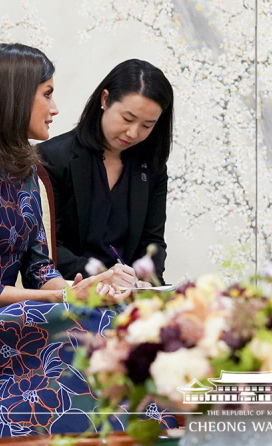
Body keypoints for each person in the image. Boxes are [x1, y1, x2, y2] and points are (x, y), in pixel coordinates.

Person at [0, 43, 175, 439]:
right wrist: (59, 299)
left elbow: (40, 267)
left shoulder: (27, 171)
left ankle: (134, 441)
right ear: (12, 96)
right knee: (78, 327)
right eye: (47, 94)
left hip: (5, 313)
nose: (56, 108)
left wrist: (81, 288)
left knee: (108, 320)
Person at [39, 59, 173, 285]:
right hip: (71, 291)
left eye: (147, 126)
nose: (133, 133)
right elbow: (47, 248)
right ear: (105, 100)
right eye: (127, 119)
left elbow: (153, 242)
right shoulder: (52, 158)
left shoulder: (151, 167)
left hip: (129, 294)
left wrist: (146, 280)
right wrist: (105, 277)